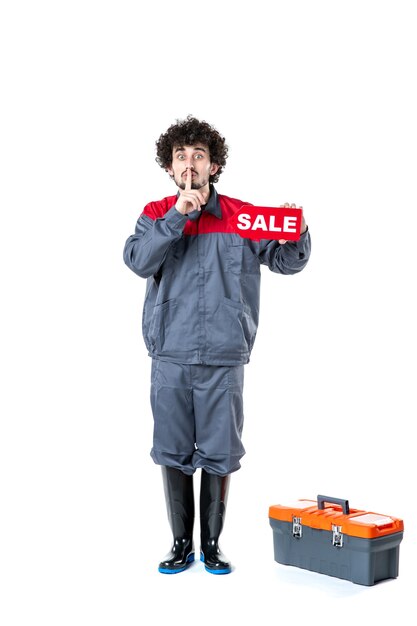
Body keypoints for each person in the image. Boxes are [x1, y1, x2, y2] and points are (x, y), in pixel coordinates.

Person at [123, 115, 311, 575]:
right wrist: (176, 218)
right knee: (171, 448)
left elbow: (287, 262)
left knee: (221, 450)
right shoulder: (154, 213)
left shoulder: (242, 217)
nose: (190, 164)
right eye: (181, 156)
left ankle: (212, 544)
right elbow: (138, 261)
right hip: (169, 352)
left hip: (224, 355)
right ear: (170, 167)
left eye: (199, 156)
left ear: (214, 165)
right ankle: (180, 542)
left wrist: (298, 230)